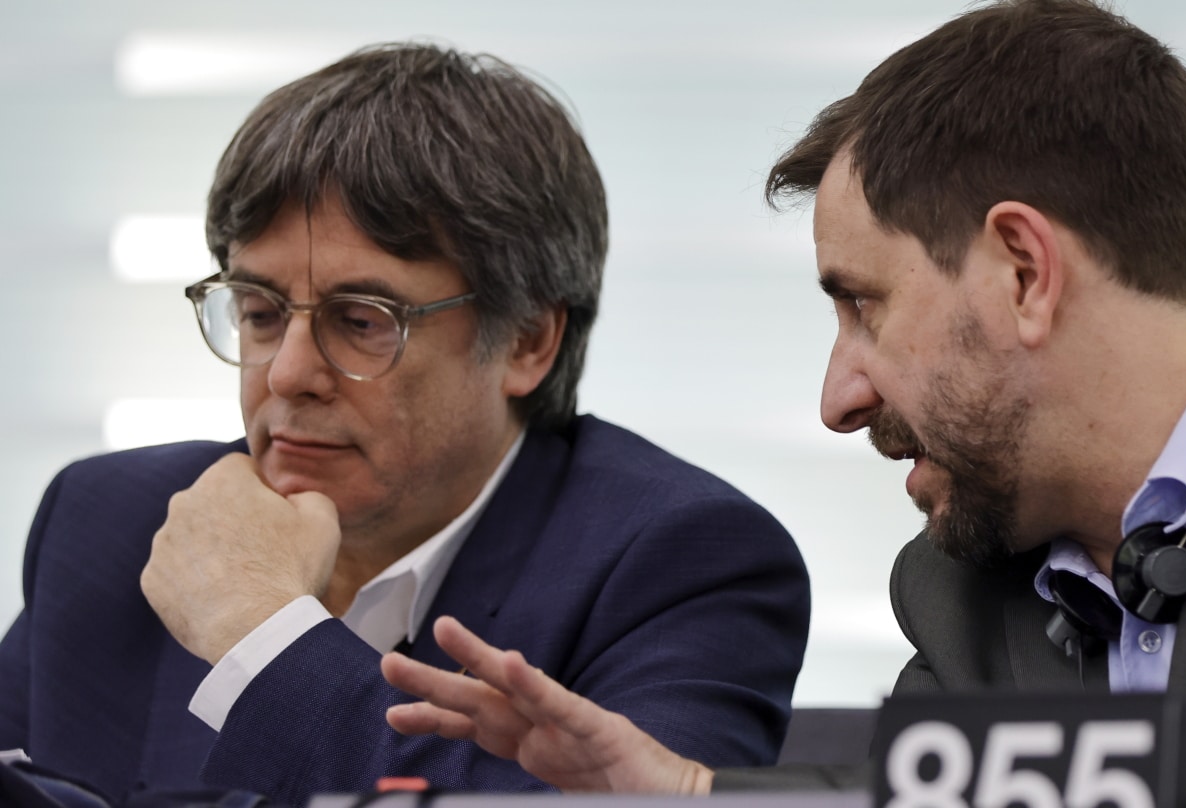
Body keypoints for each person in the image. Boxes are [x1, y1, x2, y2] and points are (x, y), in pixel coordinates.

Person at [377, 2, 1186, 806]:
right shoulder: (962, 586)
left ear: (1023, 271)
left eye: (862, 305)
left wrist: (708, 799)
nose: (838, 398)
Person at [0, 43, 811, 806]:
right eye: (259, 311)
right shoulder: (111, 521)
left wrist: (263, 632)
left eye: (361, 320)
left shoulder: (684, 565)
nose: (286, 374)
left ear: (528, 339)